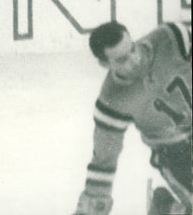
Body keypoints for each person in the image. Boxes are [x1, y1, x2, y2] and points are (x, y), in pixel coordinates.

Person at [73, 21, 191, 215]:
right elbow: (104, 160)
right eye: (121, 60)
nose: (134, 60)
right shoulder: (112, 101)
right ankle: (167, 208)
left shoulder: (172, 37)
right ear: (105, 64)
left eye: (133, 49)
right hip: (175, 154)